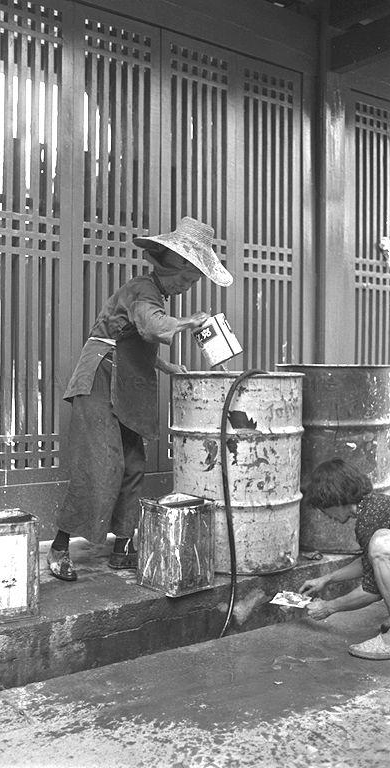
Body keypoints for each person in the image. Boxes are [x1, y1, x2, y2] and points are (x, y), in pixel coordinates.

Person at [48, 216, 233, 581]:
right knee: (101, 463)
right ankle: (58, 549)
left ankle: (123, 548)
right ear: (177, 263)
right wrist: (186, 322)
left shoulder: (154, 294)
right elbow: (150, 326)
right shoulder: (142, 290)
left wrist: (167, 367)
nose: (189, 286)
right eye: (191, 278)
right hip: (99, 379)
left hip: (127, 383)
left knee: (133, 465)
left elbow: (134, 339)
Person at [298, 458, 390, 660]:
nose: (324, 514)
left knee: (381, 546)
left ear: (336, 499)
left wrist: (329, 607)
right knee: (379, 548)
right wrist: (327, 579)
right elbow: (371, 564)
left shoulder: (370, 518)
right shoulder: (374, 507)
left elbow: (372, 590)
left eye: (323, 506)